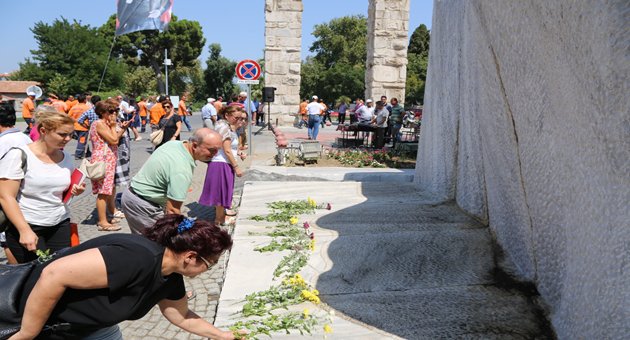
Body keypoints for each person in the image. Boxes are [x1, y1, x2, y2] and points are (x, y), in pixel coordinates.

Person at [13, 214, 242, 340]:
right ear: (190, 256)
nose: (207, 271)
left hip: (95, 328)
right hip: (44, 324)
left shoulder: (170, 276)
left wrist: (222, 335)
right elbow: (54, 273)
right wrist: (27, 333)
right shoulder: (136, 258)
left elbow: (181, 316)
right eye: (209, 265)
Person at [0, 108, 85, 264]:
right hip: (28, 225)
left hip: (60, 222)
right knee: (35, 277)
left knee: (62, 271)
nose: (68, 139)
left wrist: (74, 190)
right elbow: (6, 196)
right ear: (43, 131)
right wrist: (24, 230)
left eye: (70, 135)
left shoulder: (66, 157)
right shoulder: (18, 155)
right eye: (62, 134)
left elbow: (60, 187)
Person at [120, 128, 222, 234]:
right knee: (154, 246)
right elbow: (172, 210)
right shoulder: (182, 170)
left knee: (146, 242)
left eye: (218, 150)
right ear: (195, 145)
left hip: (133, 195)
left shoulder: (175, 144)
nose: (215, 154)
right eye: (212, 150)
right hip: (143, 206)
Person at [199, 106, 244, 226]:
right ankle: (219, 219)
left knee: (222, 191)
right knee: (220, 193)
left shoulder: (225, 126)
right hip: (221, 163)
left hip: (223, 162)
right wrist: (236, 166)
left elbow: (231, 148)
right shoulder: (224, 127)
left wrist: (239, 152)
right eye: (236, 117)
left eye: (240, 117)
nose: (238, 120)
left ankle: (221, 216)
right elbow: (227, 150)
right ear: (227, 115)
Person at [90, 99, 130, 231]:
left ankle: (109, 214)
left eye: (116, 110)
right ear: (102, 112)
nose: (114, 114)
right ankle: (103, 222)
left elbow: (115, 138)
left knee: (110, 189)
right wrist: (113, 127)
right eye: (111, 111)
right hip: (103, 160)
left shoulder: (106, 123)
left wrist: (122, 128)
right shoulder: (99, 123)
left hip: (109, 159)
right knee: (103, 192)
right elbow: (113, 140)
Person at [0, 100, 33, 264]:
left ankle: (15, 274)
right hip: (25, 197)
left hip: (8, 198)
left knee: (7, 238)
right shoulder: (25, 138)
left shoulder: (2, 143)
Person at [67, 94, 90, 159]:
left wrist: (74, 121)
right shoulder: (87, 107)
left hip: (75, 127)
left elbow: (68, 116)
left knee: (82, 140)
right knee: (82, 141)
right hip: (84, 127)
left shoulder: (74, 107)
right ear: (85, 100)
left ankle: (87, 152)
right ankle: (78, 154)